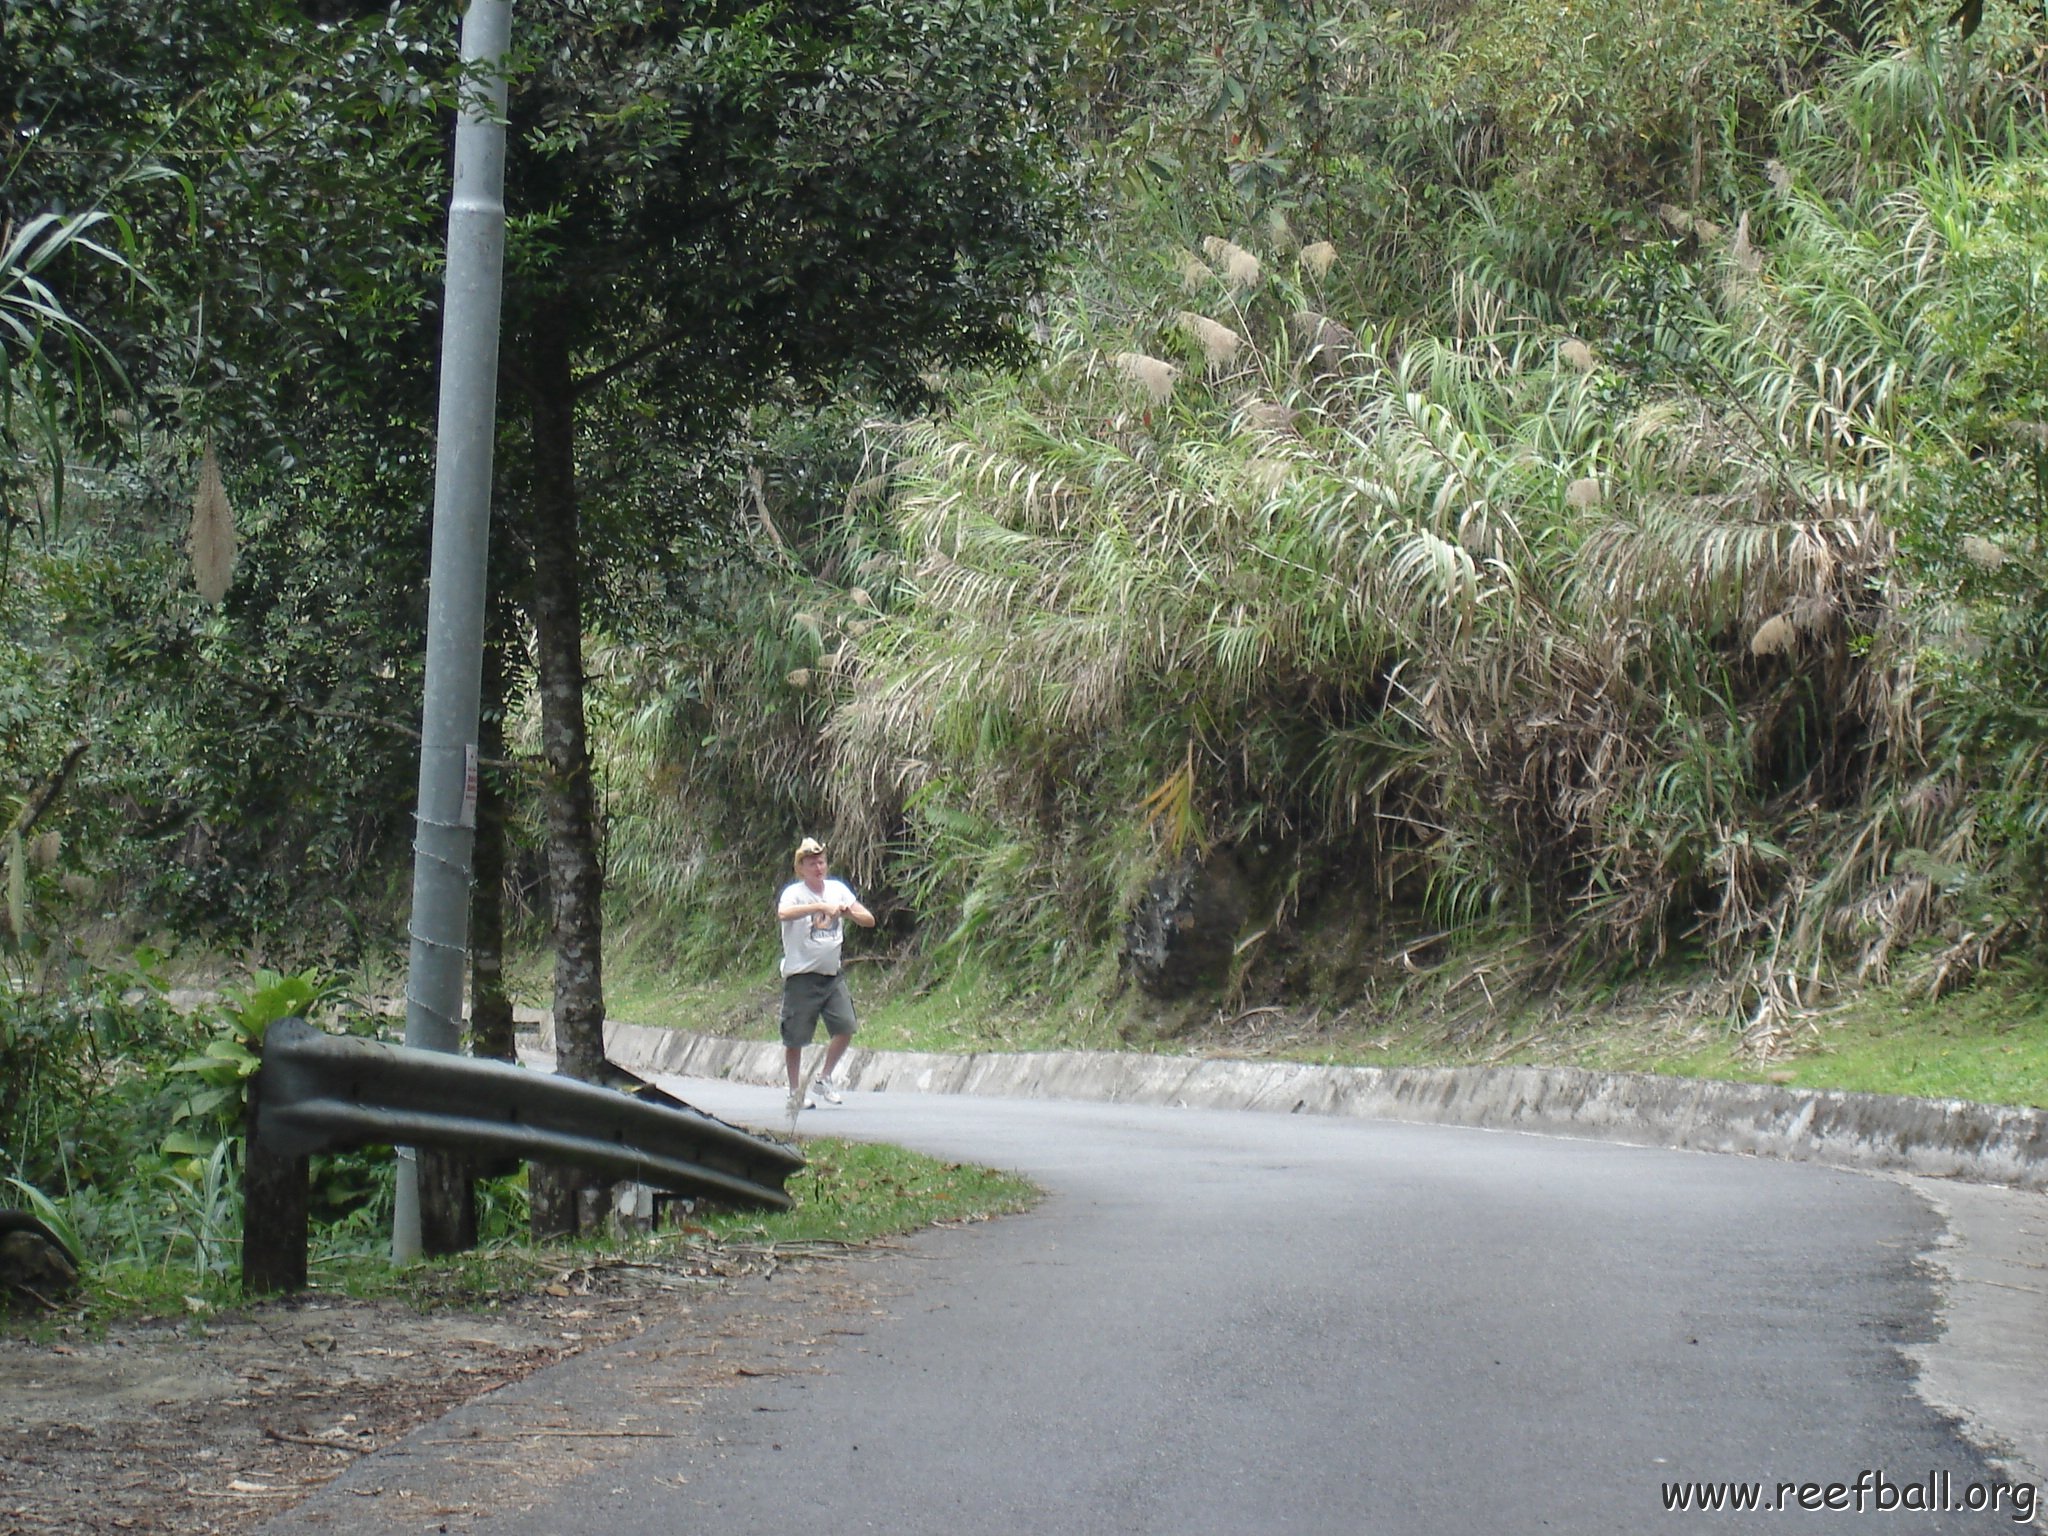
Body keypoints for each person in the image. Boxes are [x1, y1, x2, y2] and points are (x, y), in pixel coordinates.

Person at [777, 836, 875, 1117]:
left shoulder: (837, 889)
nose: (818, 868)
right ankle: (795, 1092)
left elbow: (868, 919)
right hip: (801, 976)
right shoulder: (795, 894)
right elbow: (783, 913)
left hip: (832, 975)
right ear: (801, 868)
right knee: (795, 1038)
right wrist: (818, 908)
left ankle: (824, 1077)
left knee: (846, 1026)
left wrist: (846, 911)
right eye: (811, 863)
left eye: (821, 862)